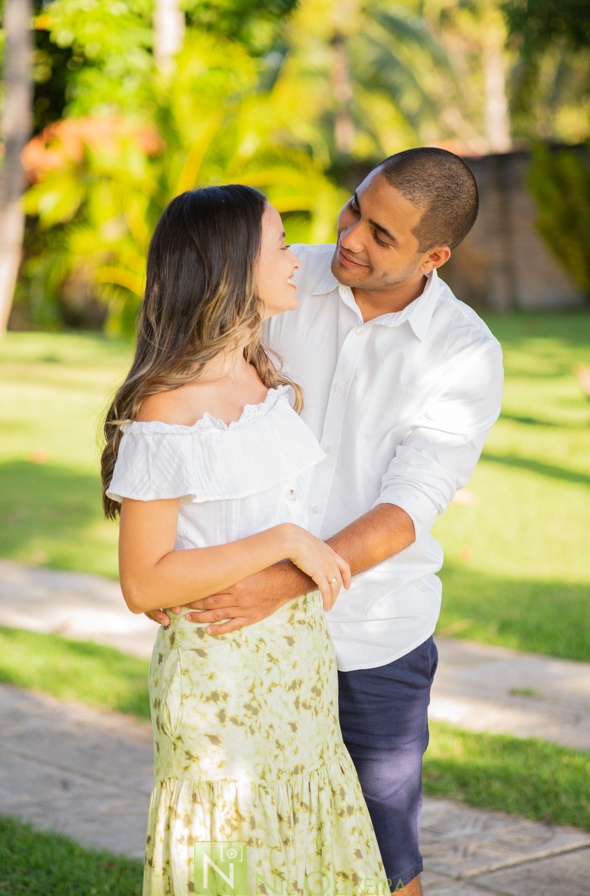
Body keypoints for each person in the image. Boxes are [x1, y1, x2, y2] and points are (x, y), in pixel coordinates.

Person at [150, 148, 505, 896]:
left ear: (432, 256)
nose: (349, 237)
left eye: (382, 235)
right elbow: (178, 389)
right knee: (236, 847)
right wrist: (168, 554)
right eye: (354, 208)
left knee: (378, 857)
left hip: (370, 634)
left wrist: (278, 581)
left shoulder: (464, 353)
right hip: (244, 638)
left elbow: (408, 507)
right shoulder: (278, 278)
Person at [100, 185, 386, 896]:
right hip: (219, 688)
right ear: (230, 265)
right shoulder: (168, 404)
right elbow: (143, 581)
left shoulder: (259, 371)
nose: (297, 260)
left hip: (298, 676)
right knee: (227, 871)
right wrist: (284, 540)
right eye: (281, 244)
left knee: (301, 860)